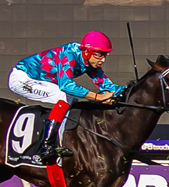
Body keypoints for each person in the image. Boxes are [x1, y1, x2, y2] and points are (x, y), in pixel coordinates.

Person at [9, 30, 120, 163]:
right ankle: (46, 146)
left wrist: (127, 91)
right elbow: (66, 85)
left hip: (39, 81)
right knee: (62, 95)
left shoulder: (90, 60)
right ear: (86, 52)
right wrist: (97, 97)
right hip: (22, 79)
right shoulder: (69, 54)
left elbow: (107, 85)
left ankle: (60, 140)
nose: (103, 59)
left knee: (72, 99)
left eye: (105, 54)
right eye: (99, 55)